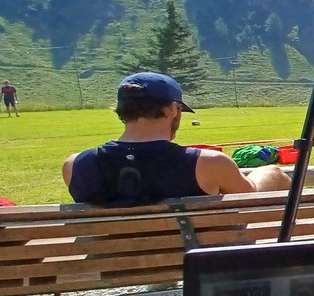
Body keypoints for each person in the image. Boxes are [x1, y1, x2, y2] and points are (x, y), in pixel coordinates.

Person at [63, 72, 291, 205]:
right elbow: (249, 198)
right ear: (173, 109)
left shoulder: (75, 165)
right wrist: (270, 173)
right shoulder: (208, 163)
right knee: (272, 173)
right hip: (190, 255)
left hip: (113, 262)